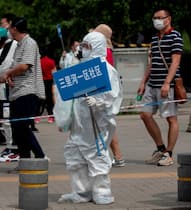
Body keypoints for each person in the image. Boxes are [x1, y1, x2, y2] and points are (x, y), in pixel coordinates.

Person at [54, 31, 122, 204]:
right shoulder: (79, 69)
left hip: (97, 122)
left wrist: (99, 101)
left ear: (97, 47)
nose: (83, 49)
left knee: (97, 155)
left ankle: (102, 191)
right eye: (82, 45)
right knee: (75, 155)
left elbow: (113, 95)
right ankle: (81, 191)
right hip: (79, 122)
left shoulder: (107, 69)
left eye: (87, 46)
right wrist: (64, 117)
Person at [137, 7, 183, 166]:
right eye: (154, 17)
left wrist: (166, 83)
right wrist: (143, 82)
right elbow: (152, 62)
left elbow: (175, 62)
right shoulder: (155, 38)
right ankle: (161, 149)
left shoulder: (175, 36)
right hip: (152, 84)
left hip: (166, 85)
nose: (156, 20)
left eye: (159, 17)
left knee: (171, 118)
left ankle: (168, 154)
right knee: (145, 115)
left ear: (168, 19)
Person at [0, 16, 46, 159]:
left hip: (27, 91)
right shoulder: (19, 45)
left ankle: (40, 156)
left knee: (22, 127)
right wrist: (10, 76)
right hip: (16, 92)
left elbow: (24, 66)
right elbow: (17, 68)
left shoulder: (29, 43)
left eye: (9, 28)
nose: (8, 31)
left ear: (15, 29)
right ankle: (25, 160)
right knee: (17, 129)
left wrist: (8, 73)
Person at [0, 13, 20, 162]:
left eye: (3, 25)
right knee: (5, 119)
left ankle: (14, 148)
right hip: (3, 87)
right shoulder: (8, 44)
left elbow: (6, 64)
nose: (1, 28)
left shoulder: (13, 44)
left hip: (9, 86)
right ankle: (11, 147)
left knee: (8, 119)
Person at [95, 24, 125, 167]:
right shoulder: (107, 50)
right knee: (107, 126)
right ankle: (115, 157)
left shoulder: (103, 51)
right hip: (103, 95)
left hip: (102, 95)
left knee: (106, 126)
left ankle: (114, 156)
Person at [40, 46, 57, 123]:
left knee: (41, 99)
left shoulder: (39, 62)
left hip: (41, 81)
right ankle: (51, 116)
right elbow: (54, 73)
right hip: (49, 82)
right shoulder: (51, 61)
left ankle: (37, 117)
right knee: (50, 99)